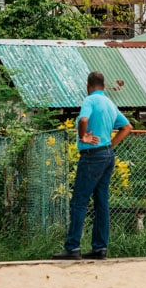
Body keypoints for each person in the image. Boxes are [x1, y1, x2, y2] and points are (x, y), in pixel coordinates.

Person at [52, 71, 132, 260]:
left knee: (79, 201)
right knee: (101, 202)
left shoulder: (90, 100)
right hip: (107, 155)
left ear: (88, 85)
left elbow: (83, 120)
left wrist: (83, 136)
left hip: (92, 156)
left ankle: (72, 247)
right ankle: (100, 248)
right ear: (103, 85)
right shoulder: (110, 104)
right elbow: (127, 127)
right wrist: (110, 145)